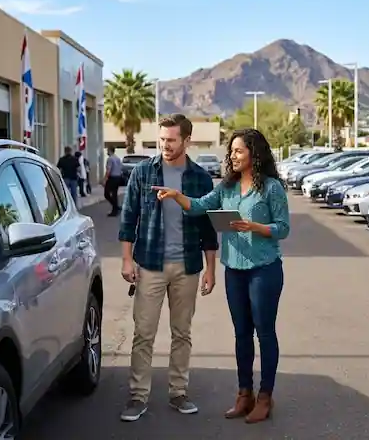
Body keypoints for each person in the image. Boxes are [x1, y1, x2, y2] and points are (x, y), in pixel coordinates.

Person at [154, 128, 290, 424]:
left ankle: (265, 397)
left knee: (264, 333)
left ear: (255, 154)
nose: (233, 156)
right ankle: (245, 394)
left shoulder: (271, 188)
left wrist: (255, 227)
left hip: (264, 270)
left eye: (239, 151)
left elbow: (283, 227)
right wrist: (178, 196)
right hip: (235, 271)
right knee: (241, 334)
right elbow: (200, 207)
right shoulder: (226, 188)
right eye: (231, 151)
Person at [118, 113, 218, 422]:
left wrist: (210, 269)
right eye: (162, 139)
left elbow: (209, 228)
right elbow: (128, 217)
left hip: (187, 266)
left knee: (181, 333)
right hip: (150, 264)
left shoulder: (200, 178)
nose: (165, 145)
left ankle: (178, 392)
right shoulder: (144, 173)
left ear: (187, 141)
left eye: (171, 140)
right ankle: (138, 396)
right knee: (143, 333)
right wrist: (126, 258)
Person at [103, 147, 124, 217]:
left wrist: (105, 180)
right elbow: (121, 168)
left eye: (108, 151)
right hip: (118, 177)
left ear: (110, 150)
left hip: (112, 178)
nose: (107, 152)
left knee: (106, 194)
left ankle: (116, 208)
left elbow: (108, 170)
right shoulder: (118, 158)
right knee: (114, 194)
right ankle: (116, 209)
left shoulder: (110, 159)